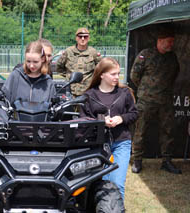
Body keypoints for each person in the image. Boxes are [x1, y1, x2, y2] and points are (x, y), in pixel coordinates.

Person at [80, 57, 138, 201]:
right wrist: (101, 122)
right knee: (102, 184)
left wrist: (121, 118)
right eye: (113, 74)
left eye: (118, 73)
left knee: (118, 183)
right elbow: (83, 120)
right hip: (98, 145)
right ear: (101, 75)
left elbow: (134, 113)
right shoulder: (89, 96)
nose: (117, 77)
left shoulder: (124, 93)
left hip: (121, 143)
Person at [130, 27, 182, 174]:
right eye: (169, 41)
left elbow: (175, 74)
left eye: (172, 41)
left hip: (165, 101)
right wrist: (146, 90)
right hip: (146, 100)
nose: (171, 44)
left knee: (168, 131)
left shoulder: (172, 57)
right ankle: (137, 161)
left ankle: (166, 161)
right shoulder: (145, 55)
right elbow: (134, 76)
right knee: (140, 130)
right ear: (160, 41)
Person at [0, 40, 56, 120]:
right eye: (28, 61)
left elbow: (53, 110)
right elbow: (2, 102)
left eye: (35, 62)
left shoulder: (48, 82)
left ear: (43, 59)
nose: (31, 65)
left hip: (40, 129)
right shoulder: (15, 76)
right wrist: (2, 124)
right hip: (14, 127)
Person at [56, 27, 102, 97]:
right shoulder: (68, 52)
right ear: (76, 38)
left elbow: (100, 69)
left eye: (85, 37)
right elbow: (59, 66)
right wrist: (69, 76)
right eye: (80, 36)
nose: (83, 39)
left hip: (87, 91)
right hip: (71, 91)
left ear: (88, 38)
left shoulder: (93, 53)